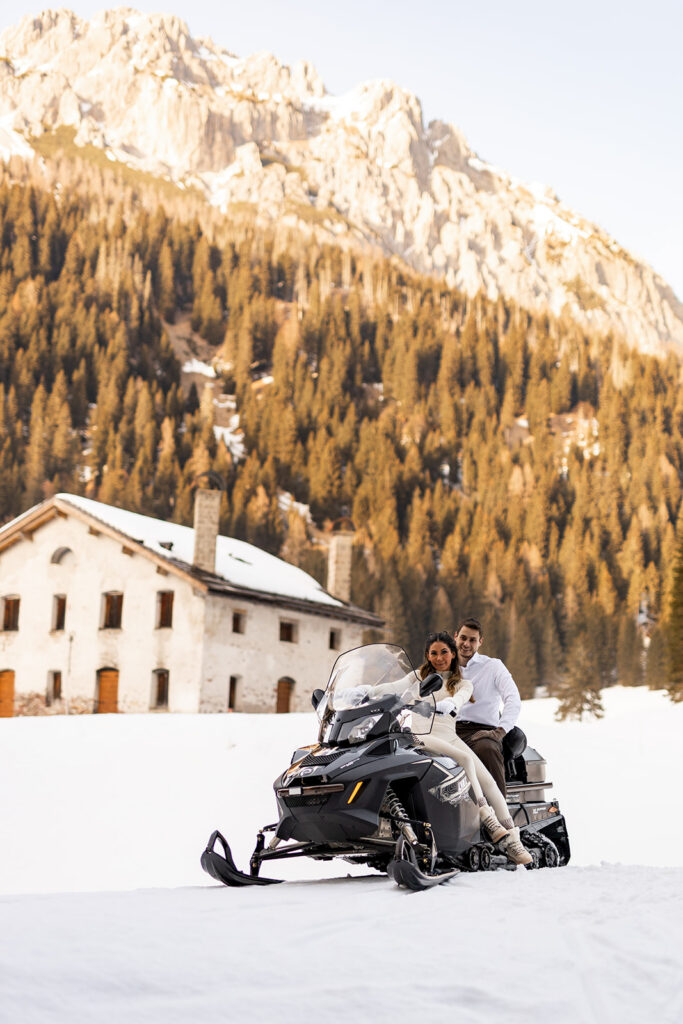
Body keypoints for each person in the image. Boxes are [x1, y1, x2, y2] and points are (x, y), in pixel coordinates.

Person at [369, 631, 530, 866]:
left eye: (444, 652)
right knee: (465, 759)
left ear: (453, 654)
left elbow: (461, 698)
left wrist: (450, 703)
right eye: (433, 653)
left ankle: (513, 840)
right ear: (427, 655)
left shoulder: (463, 683)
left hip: (449, 737)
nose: (439, 657)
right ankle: (487, 818)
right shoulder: (417, 678)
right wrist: (362, 692)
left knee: (489, 781)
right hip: (421, 736)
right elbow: (391, 688)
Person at [454, 616, 522, 799]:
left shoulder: (493, 666)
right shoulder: (445, 666)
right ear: (455, 637)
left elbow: (513, 698)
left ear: (480, 642)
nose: (466, 644)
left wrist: (500, 731)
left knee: (487, 749)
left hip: (482, 732)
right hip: (449, 730)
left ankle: (501, 818)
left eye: (472, 640)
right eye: (463, 638)